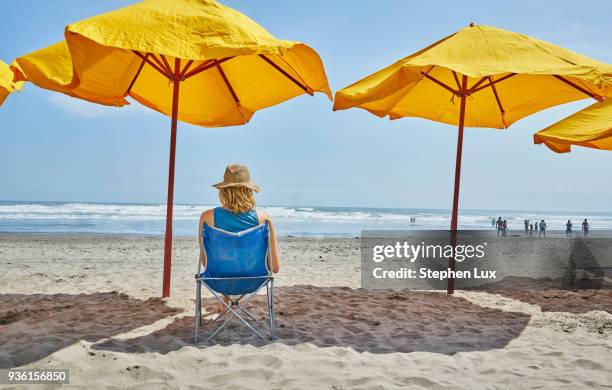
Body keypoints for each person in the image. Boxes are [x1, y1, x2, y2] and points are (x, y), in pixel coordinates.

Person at [198, 164, 280, 310]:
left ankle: (225, 297)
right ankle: (227, 296)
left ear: (223, 191)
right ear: (249, 190)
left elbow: (206, 262)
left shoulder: (207, 217)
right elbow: (275, 267)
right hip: (255, 280)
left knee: (227, 262)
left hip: (218, 280)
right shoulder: (264, 219)